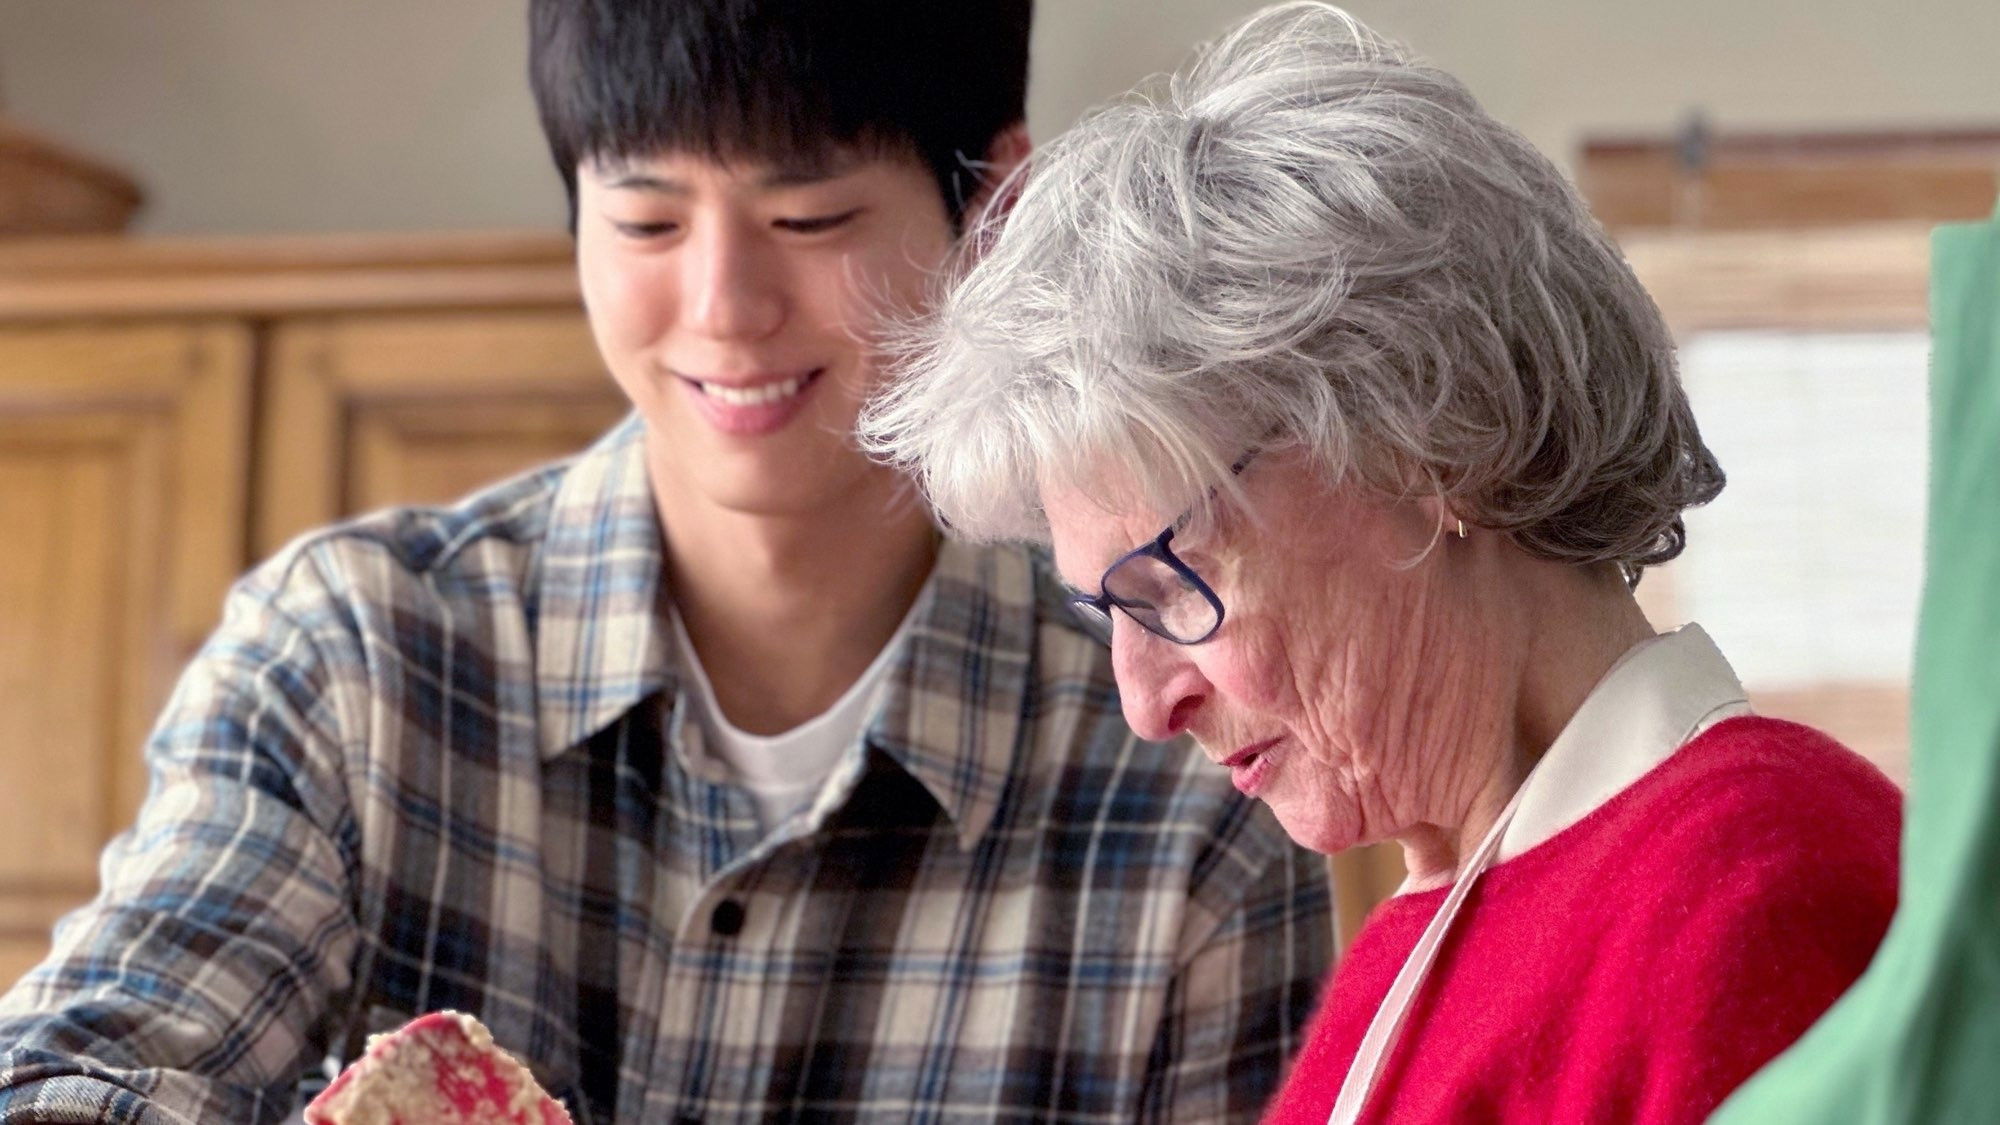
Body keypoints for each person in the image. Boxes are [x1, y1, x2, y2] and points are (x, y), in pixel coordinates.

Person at [0, 3, 1333, 1122]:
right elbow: (75, 1068)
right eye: (645, 222)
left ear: (997, 206)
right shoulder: (353, 657)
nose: (725, 310)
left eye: (808, 218)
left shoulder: (1177, 770)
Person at [861, 4, 1901, 1122]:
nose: (1145, 702)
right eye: (1102, 611)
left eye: (1169, 584)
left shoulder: (1756, 890)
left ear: (1425, 439)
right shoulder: (1426, 927)